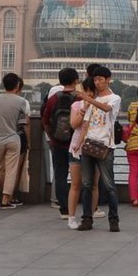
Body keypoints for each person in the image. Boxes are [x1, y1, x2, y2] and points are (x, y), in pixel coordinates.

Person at [70, 70, 121, 231]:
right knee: (86, 184)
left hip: (105, 145)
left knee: (109, 185)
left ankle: (114, 220)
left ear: (108, 80)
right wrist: (79, 143)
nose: (97, 82)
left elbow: (107, 109)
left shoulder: (114, 98)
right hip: (88, 145)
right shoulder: (93, 100)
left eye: (100, 79)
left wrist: (88, 99)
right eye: (95, 80)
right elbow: (85, 124)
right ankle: (87, 218)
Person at [0, 73, 28, 209]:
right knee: (11, 170)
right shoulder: (20, 101)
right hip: (13, 139)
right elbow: (23, 123)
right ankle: (5, 200)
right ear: (17, 85)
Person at [42, 68, 80, 216]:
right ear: (76, 80)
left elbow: (45, 119)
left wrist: (51, 136)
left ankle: (64, 208)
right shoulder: (80, 98)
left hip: (57, 142)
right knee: (80, 175)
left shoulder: (53, 98)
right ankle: (80, 205)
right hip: (76, 144)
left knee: (60, 174)